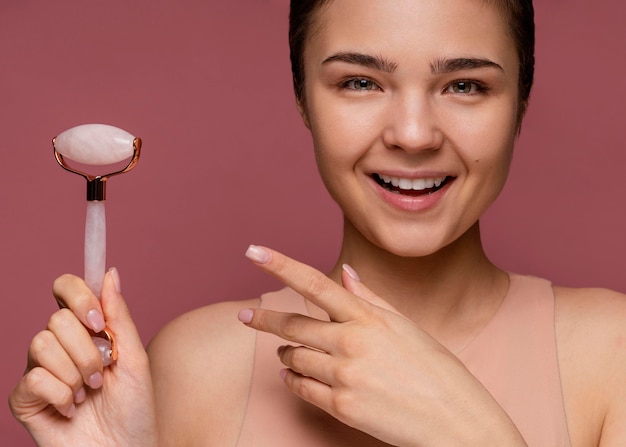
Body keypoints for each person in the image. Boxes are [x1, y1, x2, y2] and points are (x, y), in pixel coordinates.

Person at [9, 0, 626, 445]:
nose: (413, 135)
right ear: (304, 98)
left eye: (465, 85)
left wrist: (467, 429)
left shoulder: (612, 357)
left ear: (521, 98)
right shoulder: (197, 368)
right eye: (360, 82)